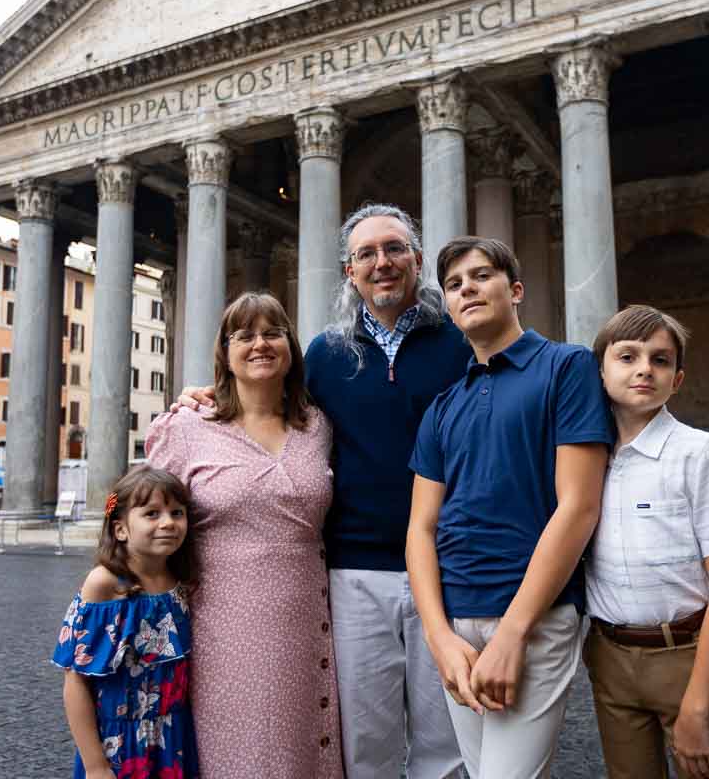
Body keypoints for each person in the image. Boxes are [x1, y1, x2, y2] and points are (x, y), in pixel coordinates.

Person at [174, 203, 470, 778]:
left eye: (393, 249)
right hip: (354, 573)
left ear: (415, 258)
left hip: (448, 568)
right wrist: (207, 396)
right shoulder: (326, 357)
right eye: (366, 254)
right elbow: (267, 404)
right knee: (365, 745)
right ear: (348, 272)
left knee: (448, 744)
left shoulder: (461, 345)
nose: (381, 263)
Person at [407, 236, 613, 778]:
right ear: (448, 308)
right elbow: (421, 530)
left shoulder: (566, 367)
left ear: (515, 289)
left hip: (534, 616)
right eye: (453, 285)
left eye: (480, 276)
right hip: (456, 621)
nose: (466, 289)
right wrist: (440, 638)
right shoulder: (442, 406)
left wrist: (514, 633)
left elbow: (579, 507)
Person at [149, 291, 343, 778]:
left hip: (307, 622)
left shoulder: (317, 425)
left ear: (291, 348)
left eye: (273, 332)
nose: (260, 344)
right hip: (221, 631)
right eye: (245, 335)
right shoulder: (188, 425)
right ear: (225, 351)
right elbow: (123, 505)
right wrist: (113, 571)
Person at [585, 305, 709, 779]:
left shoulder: (700, 454)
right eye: (628, 356)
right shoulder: (584, 460)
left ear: (677, 379)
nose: (644, 369)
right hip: (610, 654)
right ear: (601, 371)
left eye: (660, 360)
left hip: (687, 654)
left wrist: (697, 706)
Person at [52, 466, 199, 779]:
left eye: (177, 512)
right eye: (152, 514)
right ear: (120, 529)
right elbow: (76, 682)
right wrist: (95, 765)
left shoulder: (181, 581)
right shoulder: (104, 584)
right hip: (118, 746)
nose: (169, 523)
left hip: (174, 739)